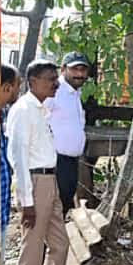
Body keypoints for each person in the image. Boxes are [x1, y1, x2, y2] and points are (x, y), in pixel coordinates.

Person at [7, 60, 77, 265]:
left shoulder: (40, 109)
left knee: (60, 243)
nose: (56, 83)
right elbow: (18, 159)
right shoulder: (23, 111)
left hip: (50, 181)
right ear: (33, 80)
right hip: (34, 183)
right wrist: (27, 202)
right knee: (33, 250)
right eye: (50, 79)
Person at [0, 63, 27, 265]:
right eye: (16, 86)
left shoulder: (3, 115)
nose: (18, 91)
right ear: (5, 87)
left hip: (2, 211)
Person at [49, 51, 90, 217]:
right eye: (75, 69)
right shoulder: (54, 91)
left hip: (70, 161)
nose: (79, 74)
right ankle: (42, 243)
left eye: (83, 70)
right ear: (63, 69)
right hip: (55, 161)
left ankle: (52, 242)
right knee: (53, 206)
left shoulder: (74, 93)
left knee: (64, 204)